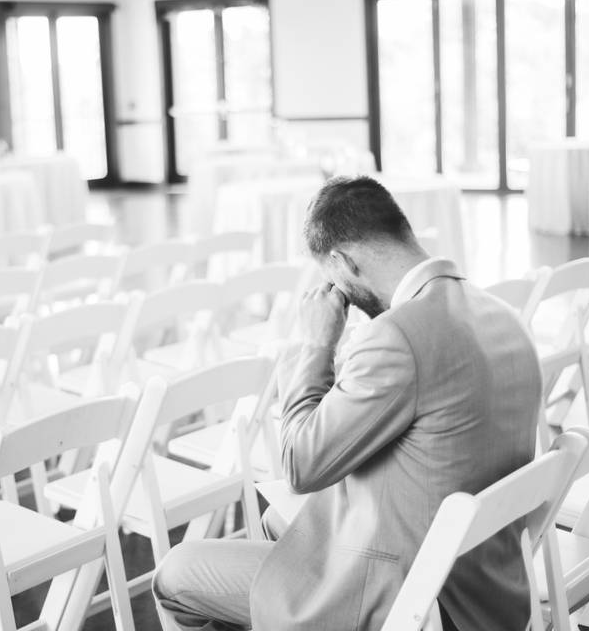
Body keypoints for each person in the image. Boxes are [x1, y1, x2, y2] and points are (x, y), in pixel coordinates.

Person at [152, 175, 542, 630]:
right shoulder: (503, 314)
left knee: (176, 573)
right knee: (281, 524)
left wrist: (317, 346)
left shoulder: (397, 337)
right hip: (486, 584)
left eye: (328, 274)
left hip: (417, 597)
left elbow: (301, 466)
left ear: (341, 261)